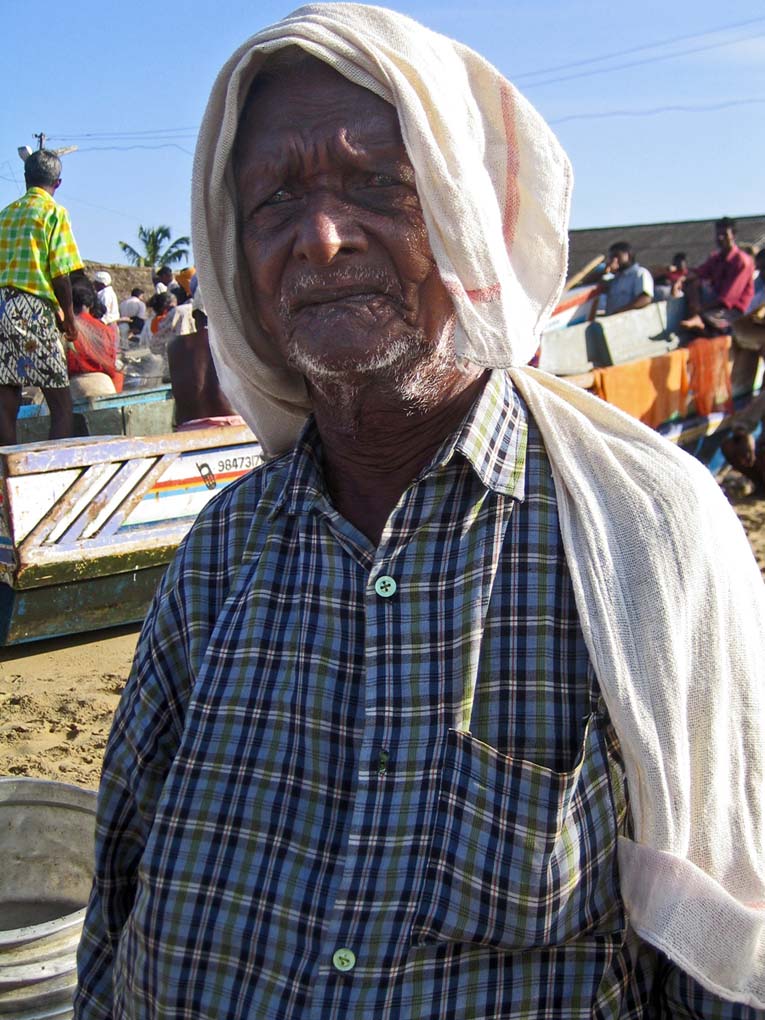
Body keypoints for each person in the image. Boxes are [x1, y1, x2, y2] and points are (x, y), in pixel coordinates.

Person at [74, 8, 765, 1019]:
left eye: (376, 186)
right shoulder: (221, 556)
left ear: (464, 211)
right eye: (274, 198)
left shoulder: (639, 537)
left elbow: (724, 958)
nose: (320, 234)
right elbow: (116, 894)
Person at [0, 149, 82, 444]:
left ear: (25, 178)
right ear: (57, 183)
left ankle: (6, 479)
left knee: (5, 400)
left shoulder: (5, 214)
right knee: (61, 404)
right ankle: (56, 474)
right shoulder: (54, 212)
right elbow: (61, 274)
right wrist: (69, 320)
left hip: (2, 307)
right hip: (33, 309)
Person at [167, 287, 243, 428]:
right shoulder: (234, 339)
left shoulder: (173, 346)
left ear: (194, 316)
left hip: (188, 428)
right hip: (233, 425)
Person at [680, 217, 755, 335]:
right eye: (718, 234)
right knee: (692, 281)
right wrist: (681, 280)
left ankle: (701, 321)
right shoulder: (716, 258)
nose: (720, 238)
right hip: (713, 303)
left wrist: (701, 310)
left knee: (716, 322)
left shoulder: (742, 261)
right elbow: (698, 272)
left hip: (733, 311)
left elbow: (728, 299)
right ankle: (697, 319)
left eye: (724, 234)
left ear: (733, 236)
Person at [68, 277, 124, 399]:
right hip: (104, 384)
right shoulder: (106, 330)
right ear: (91, 304)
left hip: (75, 386)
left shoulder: (66, 329)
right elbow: (111, 363)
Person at [598, 241, 655, 316]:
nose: (614, 260)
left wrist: (620, 312)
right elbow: (597, 286)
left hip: (630, 320)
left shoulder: (639, 273)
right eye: (612, 257)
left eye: (617, 256)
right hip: (613, 321)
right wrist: (605, 272)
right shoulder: (615, 278)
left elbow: (645, 299)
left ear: (628, 255)